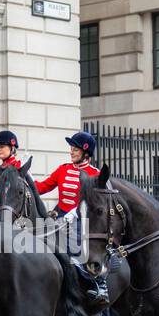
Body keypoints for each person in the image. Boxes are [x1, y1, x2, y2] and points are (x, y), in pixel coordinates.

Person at [35, 129, 107, 302]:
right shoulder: (63, 170)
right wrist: (26, 179)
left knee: (79, 248)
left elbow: (98, 203)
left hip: (83, 219)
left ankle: (99, 284)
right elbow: (42, 187)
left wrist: (76, 211)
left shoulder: (95, 174)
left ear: (85, 151)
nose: (71, 152)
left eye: (75, 149)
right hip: (60, 216)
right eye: (71, 148)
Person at [0, 129, 22, 198]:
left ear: (12, 148)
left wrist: (51, 179)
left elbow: (36, 189)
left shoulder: (20, 166)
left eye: (2, 147)